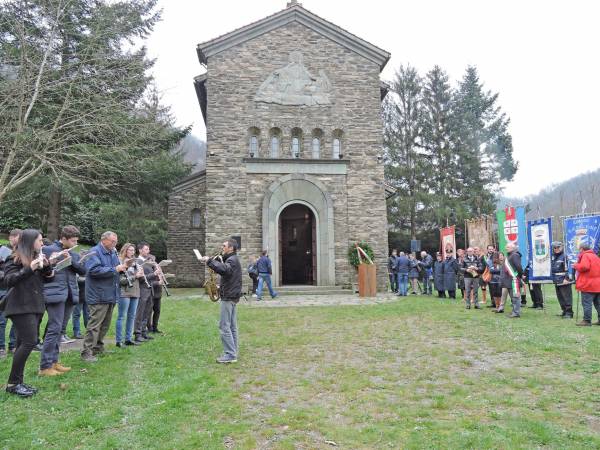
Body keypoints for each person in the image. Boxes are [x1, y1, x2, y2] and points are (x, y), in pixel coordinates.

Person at [3, 229, 54, 397]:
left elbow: (46, 279)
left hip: (35, 305)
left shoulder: (36, 258)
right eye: (39, 240)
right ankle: (12, 383)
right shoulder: (15, 258)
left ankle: (17, 382)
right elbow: (8, 281)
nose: (42, 243)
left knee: (21, 344)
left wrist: (47, 267)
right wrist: (29, 268)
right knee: (30, 342)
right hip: (20, 306)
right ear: (31, 241)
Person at [39, 225, 86, 376]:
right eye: (72, 240)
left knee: (60, 329)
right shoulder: (48, 249)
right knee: (54, 328)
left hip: (70, 294)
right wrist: (57, 258)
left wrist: (70, 260)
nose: (74, 243)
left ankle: (54, 361)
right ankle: (45, 367)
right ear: (63, 238)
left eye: (76, 241)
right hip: (54, 293)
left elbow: (83, 271)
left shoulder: (74, 253)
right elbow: (42, 270)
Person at [81, 231, 126, 362]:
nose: (115, 244)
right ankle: (86, 352)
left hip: (110, 293)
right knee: (94, 325)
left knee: (105, 324)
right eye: (113, 241)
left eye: (116, 242)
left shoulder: (112, 252)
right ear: (104, 240)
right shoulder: (94, 252)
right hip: (98, 294)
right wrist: (115, 269)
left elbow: (115, 268)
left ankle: (98, 347)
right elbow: (93, 271)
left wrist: (123, 268)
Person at [200, 239, 242, 363]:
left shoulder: (232, 260)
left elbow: (224, 269)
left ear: (231, 248)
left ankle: (230, 354)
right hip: (232, 295)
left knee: (224, 326)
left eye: (224, 246)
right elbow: (228, 275)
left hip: (229, 297)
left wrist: (209, 261)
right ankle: (233, 351)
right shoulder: (232, 259)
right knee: (232, 326)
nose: (222, 247)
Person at [116, 243, 143, 347]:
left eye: (133, 250)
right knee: (122, 316)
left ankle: (128, 339)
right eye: (130, 250)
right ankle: (119, 341)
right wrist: (135, 276)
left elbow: (137, 278)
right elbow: (121, 281)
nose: (132, 252)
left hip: (135, 292)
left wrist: (140, 274)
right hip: (125, 292)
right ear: (125, 250)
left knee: (132, 316)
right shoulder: (121, 262)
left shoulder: (135, 263)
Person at [0, 228, 20, 358]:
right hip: (2, 289)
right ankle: (1, 347)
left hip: (14, 289)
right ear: (11, 238)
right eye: (17, 237)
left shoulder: (20, 252)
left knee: (16, 320)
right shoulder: (4, 251)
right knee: (1, 321)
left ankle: (13, 345)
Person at [134, 242, 159, 343]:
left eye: (148, 249)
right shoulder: (138, 262)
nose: (148, 251)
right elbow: (141, 279)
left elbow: (151, 277)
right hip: (142, 290)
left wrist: (157, 272)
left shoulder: (148, 262)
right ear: (140, 250)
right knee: (140, 313)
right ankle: (137, 333)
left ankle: (144, 332)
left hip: (150, 289)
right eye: (146, 249)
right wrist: (154, 274)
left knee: (147, 312)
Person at [572, 241, 600, 326]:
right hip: (597, 284)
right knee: (598, 303)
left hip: (588, 284)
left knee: (587, 303)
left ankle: (587, 320)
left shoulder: (585, 255)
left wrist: (576, 265)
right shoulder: (596, 256)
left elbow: (584, 266)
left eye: (579, 249)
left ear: (582, 249)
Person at [551, 241, 574, 319]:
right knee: (560, 297)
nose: (556, 249)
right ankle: (564, 311)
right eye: (555, 247)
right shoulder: (553, 256)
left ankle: (569, 312)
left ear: (562, 247)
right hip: (556, 280)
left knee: (566, 297)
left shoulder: (565, 256)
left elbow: (570, 268)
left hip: (564, 280)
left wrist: (567, 278)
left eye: (558, 247)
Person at [500, 242, 523, 318]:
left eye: (508, 247)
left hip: (513, 280)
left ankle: (516, 313)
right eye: (506, 247)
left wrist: (519, 276)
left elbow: (518, 267)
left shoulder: (515, 255)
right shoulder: (510, 255)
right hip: (508, 281)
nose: (506, 248)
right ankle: (514, 311)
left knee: (515, 297)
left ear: (513, 248)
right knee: (513, 298)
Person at [148, 254, 163, 334]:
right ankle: (149, 328)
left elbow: (161, 279)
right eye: (151, 260)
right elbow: (147, 282)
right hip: (151, 292)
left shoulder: (157, 269)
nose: (154, 262)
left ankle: (155, 327)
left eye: (154, 260)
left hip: (158, 292)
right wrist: (157, 282)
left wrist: (162, 276)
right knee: (149, 311)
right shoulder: (148, 269)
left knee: (157, 311)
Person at [72, 271, 88, 339]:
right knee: (76, 314)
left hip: (87, 295)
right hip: (78, 295)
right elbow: (76, 279)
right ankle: (77, 333)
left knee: (87, 314)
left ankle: (90, 332)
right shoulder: (77, 264)